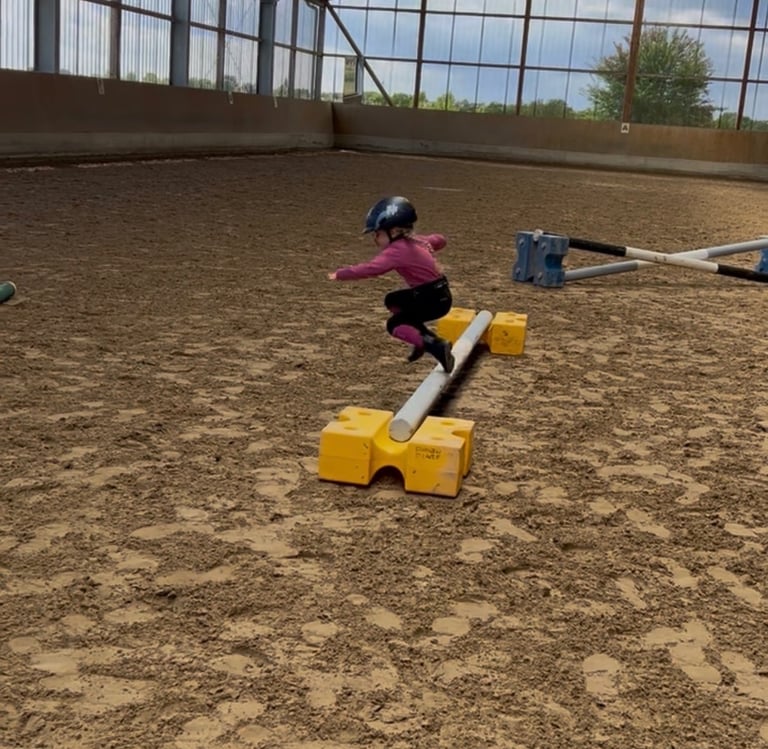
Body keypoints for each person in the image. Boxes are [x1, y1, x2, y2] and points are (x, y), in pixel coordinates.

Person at [328, 196, 455, 373]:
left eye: (377, 233)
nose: (375, 239)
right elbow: (439, 239)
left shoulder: (397, 250)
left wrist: (341, 274)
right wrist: (434, 243)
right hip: (441, 295)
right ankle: (421, 339)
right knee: (393, 300)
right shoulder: (418, 241)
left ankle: (434, 345)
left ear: (394, 231)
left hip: (430, 300)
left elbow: (371, 268)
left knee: (394, 325)